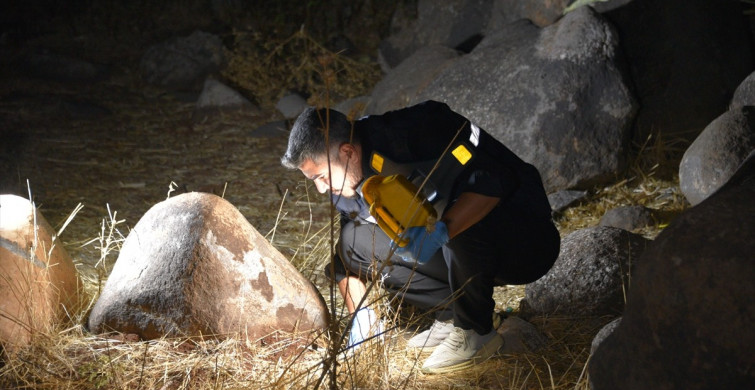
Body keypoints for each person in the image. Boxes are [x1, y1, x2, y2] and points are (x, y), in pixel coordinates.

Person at [280, 100, 560, 374]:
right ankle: (454, 314)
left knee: (456, 215)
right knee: (353, 243)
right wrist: (362, 323)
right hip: (459, 251)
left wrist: (442, 230)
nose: (320, 189)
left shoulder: (412, 133)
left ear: (347, 152)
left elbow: (496, 180)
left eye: (321, 177)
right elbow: (347, 261)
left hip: (524, 240)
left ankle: (476, 330)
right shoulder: (345, 183)